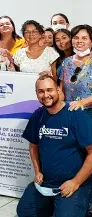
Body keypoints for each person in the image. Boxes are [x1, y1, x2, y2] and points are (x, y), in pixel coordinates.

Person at [16, 74, 92, 217]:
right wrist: (37, 171)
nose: (46, 95)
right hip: (47, 183)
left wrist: (76, 182)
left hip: (75, 183)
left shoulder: (76, 114)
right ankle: (54, 205)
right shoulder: (38, 115)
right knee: (25, 212)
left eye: (49, 90)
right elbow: (33, 146)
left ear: (58, 90)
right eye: (41, 91)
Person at [59, 25, 92, 115]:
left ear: (91, 41)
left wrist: (82, 103)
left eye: (84, 38)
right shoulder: (66, 62)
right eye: (76, 38)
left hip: (88, 114)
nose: (79, 41)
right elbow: (62, 90)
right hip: (69, 113)